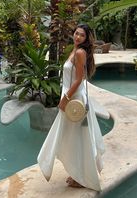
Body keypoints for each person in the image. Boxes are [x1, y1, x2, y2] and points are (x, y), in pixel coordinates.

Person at [37, 24, 105, 191]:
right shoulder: (74, 50)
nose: (77, 37)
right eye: (76, 33)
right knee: (74, 137)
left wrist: (65, 99)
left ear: (86, 38)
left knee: (77, 137)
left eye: (81, 35)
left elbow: (79, 79)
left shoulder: (80, 52)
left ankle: (82, 177)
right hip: (72, 98)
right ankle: (78, 172)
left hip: (74, 101)